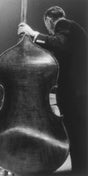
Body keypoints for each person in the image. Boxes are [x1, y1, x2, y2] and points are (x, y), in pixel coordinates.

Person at [18, 6, 88, 175]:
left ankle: (80, 171)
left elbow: (58, 43)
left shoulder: (66, 26)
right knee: (78, 139)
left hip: (75, 95)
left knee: (78, 139)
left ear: (49, 20)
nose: (49, 31)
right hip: (77, 93)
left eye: (47, 26)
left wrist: (33, 33)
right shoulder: (72, 32)